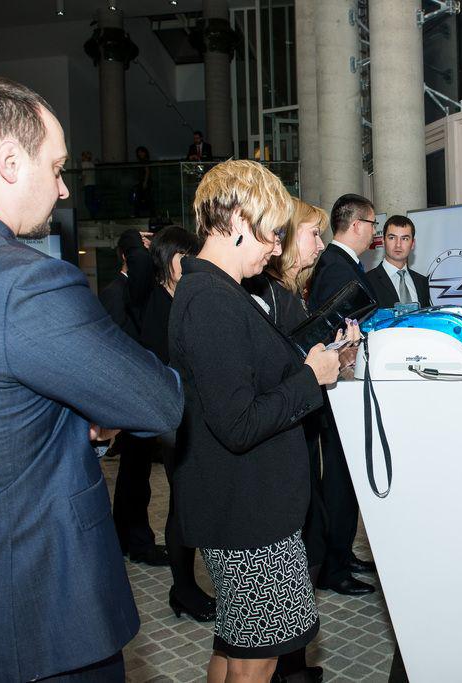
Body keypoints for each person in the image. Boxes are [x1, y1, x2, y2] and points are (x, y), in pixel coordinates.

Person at [0, 76, 184, 682]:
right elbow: (158, 402)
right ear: (9, 162)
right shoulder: (23, 281)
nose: (63, 188)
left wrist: (60, 414)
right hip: (34, 627)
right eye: (56, 168)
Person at [169, 160, 341, 683]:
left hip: (245, 509)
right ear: (240, 220)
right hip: (247, 517)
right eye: (273, 232)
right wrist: (310, 378)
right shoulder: (212, 301)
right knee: (256, 661)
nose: (276, 247)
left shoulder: (218, 292)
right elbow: (238, 423)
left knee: (237, 647)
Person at [248, 198, 358, 683]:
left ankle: (292, 668)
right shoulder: (266, 297)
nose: (320, 244)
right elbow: (276, 381)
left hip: (293, 446)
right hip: (273, 458)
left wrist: (336, 356)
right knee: (259, 623)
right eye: (313, 234)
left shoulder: (286, 295)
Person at [138, 225, 217, 622]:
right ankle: (183, 589)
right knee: (183, 504)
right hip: (172, 418)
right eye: (184, 257)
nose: (190, 264)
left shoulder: (186, 298)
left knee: (186, 503)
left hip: (191, 415)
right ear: (167, 260)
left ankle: (183, 588)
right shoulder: (158, 303)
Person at [307, 193, 380, 596]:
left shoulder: (342, 263)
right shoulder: (336, 266)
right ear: (357, 225)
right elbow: (334, 331)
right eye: (373, 224)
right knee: (337, 477)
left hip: (342, 382)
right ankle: (333, 568)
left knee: (344, 476)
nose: (375, 232)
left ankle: (342, 552)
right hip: (336, 386)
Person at [100, 228, 169, 566]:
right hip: (129, 392)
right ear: (128, 255)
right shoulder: (116, 291)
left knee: (134, 473)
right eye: (140, 250)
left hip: (139, 391)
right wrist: (131, 237)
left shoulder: (138, 289)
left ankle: (127, 538)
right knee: (134, 474)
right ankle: (137, 542)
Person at [365, 214, 432, 308]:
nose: (398, 245)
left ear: (412, 244)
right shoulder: (367, 281)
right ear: (383, 241)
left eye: (404, 239)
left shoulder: (422, 282)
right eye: (392, 238)